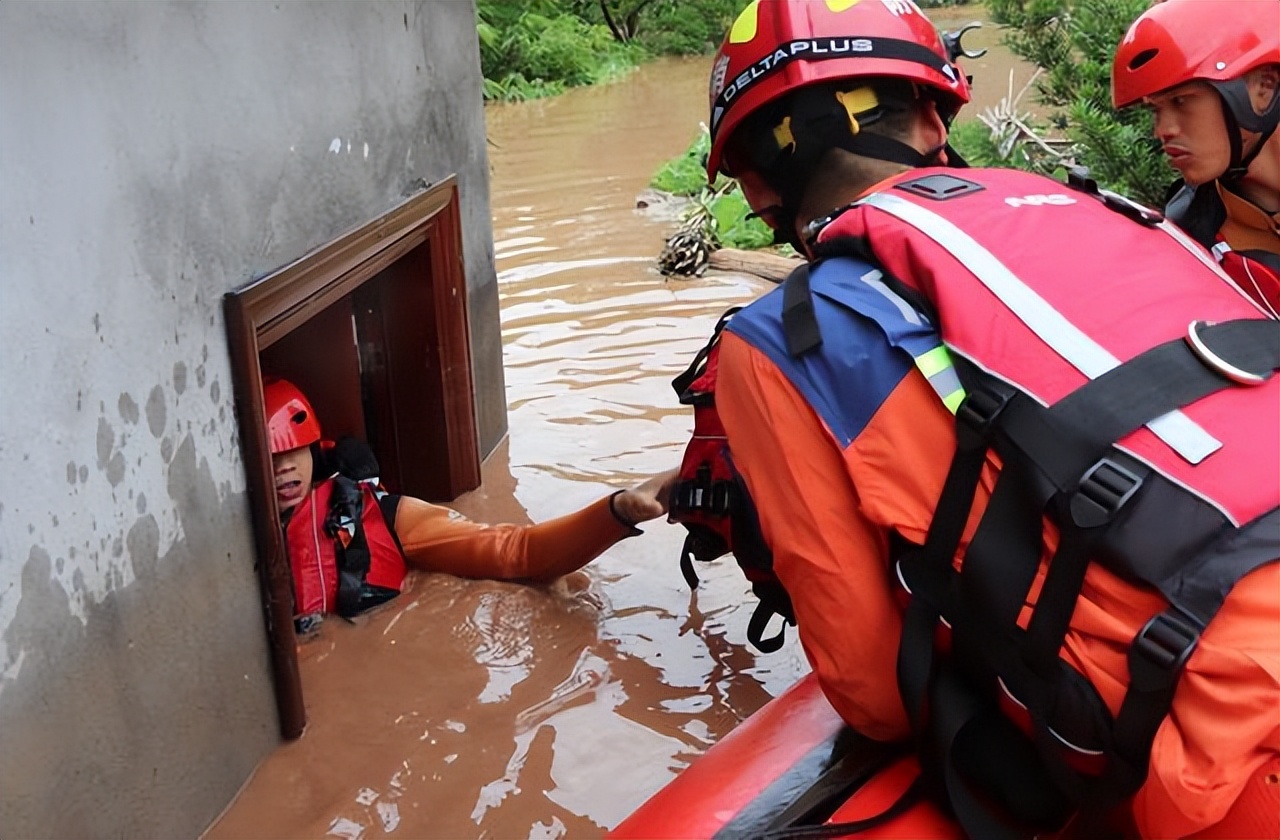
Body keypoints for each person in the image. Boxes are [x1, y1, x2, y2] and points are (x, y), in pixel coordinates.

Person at [684, 1, 1279, 837]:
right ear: (934, 120)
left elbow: (872, 691)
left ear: (755, 184)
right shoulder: (1104, 207)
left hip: (1237, 754)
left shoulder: (779, 340)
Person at [264, 377, 675, 632]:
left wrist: (618, 511)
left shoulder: (383, 515)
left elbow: (516, 551)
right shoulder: (241, 547)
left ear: (314, 450)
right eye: (271, 458)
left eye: (294, 452)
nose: (284, 468)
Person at [1112, 0, 1280, 317]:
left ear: (1264, 87)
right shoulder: (1189, 237)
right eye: (1155, 109)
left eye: (1181, 100)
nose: (1162, 130)